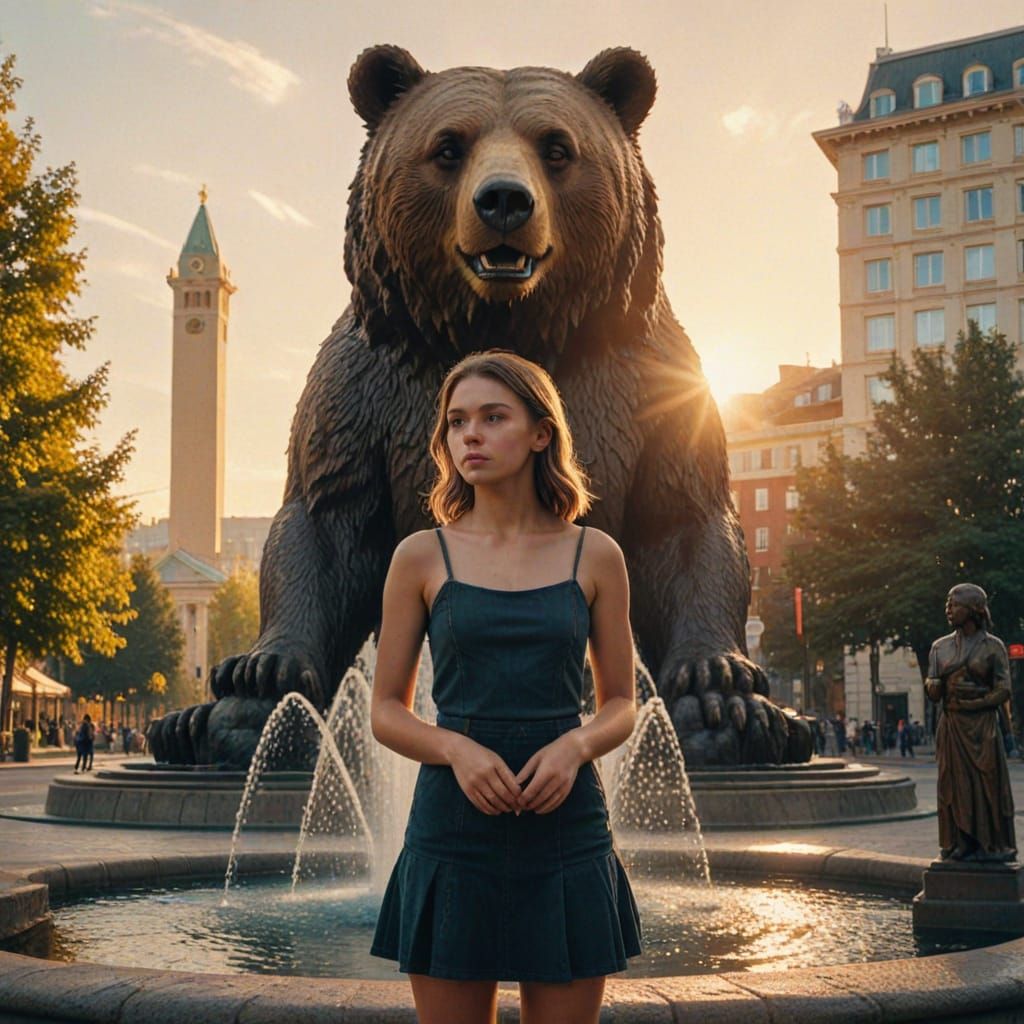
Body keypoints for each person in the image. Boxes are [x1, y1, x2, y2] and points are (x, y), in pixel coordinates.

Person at [370, 351, 642, 1024]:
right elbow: (384, 712)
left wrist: (576, 748)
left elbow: (621, 702)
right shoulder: (420, 556)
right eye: (457, 421)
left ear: (540, 433)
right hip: (452, 830)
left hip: (567, 829)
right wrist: (456, 751)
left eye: (494, 417)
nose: (471, 435)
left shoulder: (596, 553)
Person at [924, 583, 1016, 861]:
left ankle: (989, 843)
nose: (948, 609)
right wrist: (934, 684)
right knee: (953, 784)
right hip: (952, 726)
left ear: (974, 609)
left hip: (982, 727)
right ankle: (959, 841)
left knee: (986, 784)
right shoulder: (939, 647)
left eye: (955, 604)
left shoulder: (993, 646)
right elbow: (933, 688)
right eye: (948, 604)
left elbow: (1004, 689)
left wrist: (976, 703)